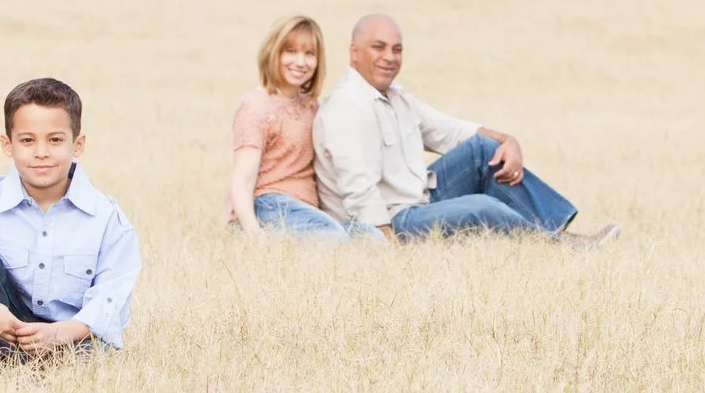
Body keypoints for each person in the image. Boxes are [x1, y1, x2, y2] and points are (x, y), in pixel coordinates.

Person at [312, 13, 615, 243]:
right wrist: (387, 247)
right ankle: (559, 249)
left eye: (397, 49)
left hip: (419, 201)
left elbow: (450, 131)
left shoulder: (395, 97)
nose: (389, 57)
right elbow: (359, 192)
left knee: (483, 151)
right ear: (354, 52)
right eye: (378, 47)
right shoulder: (346, 108)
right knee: (481, 208)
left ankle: (560, 231)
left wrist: (507, 140)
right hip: (394, 221)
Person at [0, 77, 142, 363]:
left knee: (98, 357)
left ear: (78, 144)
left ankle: (54, 372)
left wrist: (61, 333)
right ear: (7, 145)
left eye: (55, 140)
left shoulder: (107, 218)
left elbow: (112, 298)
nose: (41, 152)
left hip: (70, 340)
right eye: (27, 140)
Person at [228, 15, 372, 239]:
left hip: (307, 211)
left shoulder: (311, 106)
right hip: (269, 204)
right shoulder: (256, 107)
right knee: (333, 237)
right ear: (273, 52)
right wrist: (252, 232)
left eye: (309, 54)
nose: (300, 62)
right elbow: (242, 179)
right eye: (291, 51)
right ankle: (262, 240)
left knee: (371, 237)